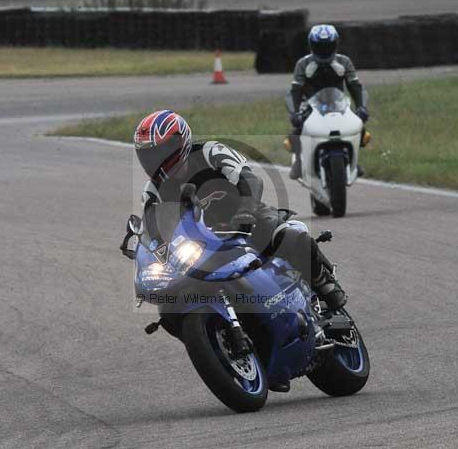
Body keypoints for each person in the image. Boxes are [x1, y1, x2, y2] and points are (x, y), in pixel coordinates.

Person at [135, 110, 347, 314]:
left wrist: (245, 210)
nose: (155, 160)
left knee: (287, 235)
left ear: (180, 142)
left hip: (245, 216)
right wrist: (152, 251)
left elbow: (251, 180)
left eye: (160, 151)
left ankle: (322, 282)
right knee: (170, 302)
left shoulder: (210, 152)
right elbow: (152, 229)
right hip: (201, 243)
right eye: (148, 155)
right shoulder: (153, 191)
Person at [286, 24, 369, 180]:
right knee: (297, 129)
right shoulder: (303, 64)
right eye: (320, 46)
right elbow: (294, 92)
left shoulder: (344, 62)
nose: (324, 50)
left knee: (360, 127)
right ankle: (298, 161)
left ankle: (354, 160)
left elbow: (356, 87)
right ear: (312, 45)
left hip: (339, 103)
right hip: (309, 104)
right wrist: (294, 113)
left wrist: (362, 107)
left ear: (335, 44)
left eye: (327, 46)